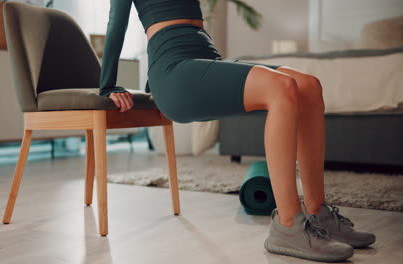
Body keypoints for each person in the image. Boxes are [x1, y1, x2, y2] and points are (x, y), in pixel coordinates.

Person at [99, 0, 376, 262]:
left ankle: (318, 213)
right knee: (282, 88)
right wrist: (108, 85)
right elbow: (116, 23)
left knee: (309, 87)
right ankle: (289, 225)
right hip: (174, 71)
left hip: (205, 59)